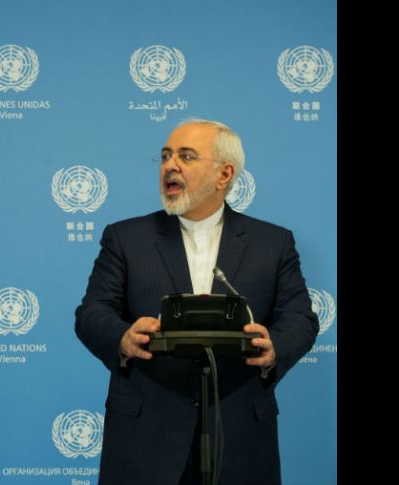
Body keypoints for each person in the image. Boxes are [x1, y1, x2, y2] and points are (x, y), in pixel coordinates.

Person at [74, 119, 318, 485]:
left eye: (186, 156)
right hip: (146, 437)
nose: (170, 165)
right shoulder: (125, 238)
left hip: (240, 436)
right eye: (165, 156)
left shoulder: (273, 243)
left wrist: (275, 349)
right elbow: (92, 312)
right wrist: (122, 338)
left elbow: (300, 318)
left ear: (224, 174)